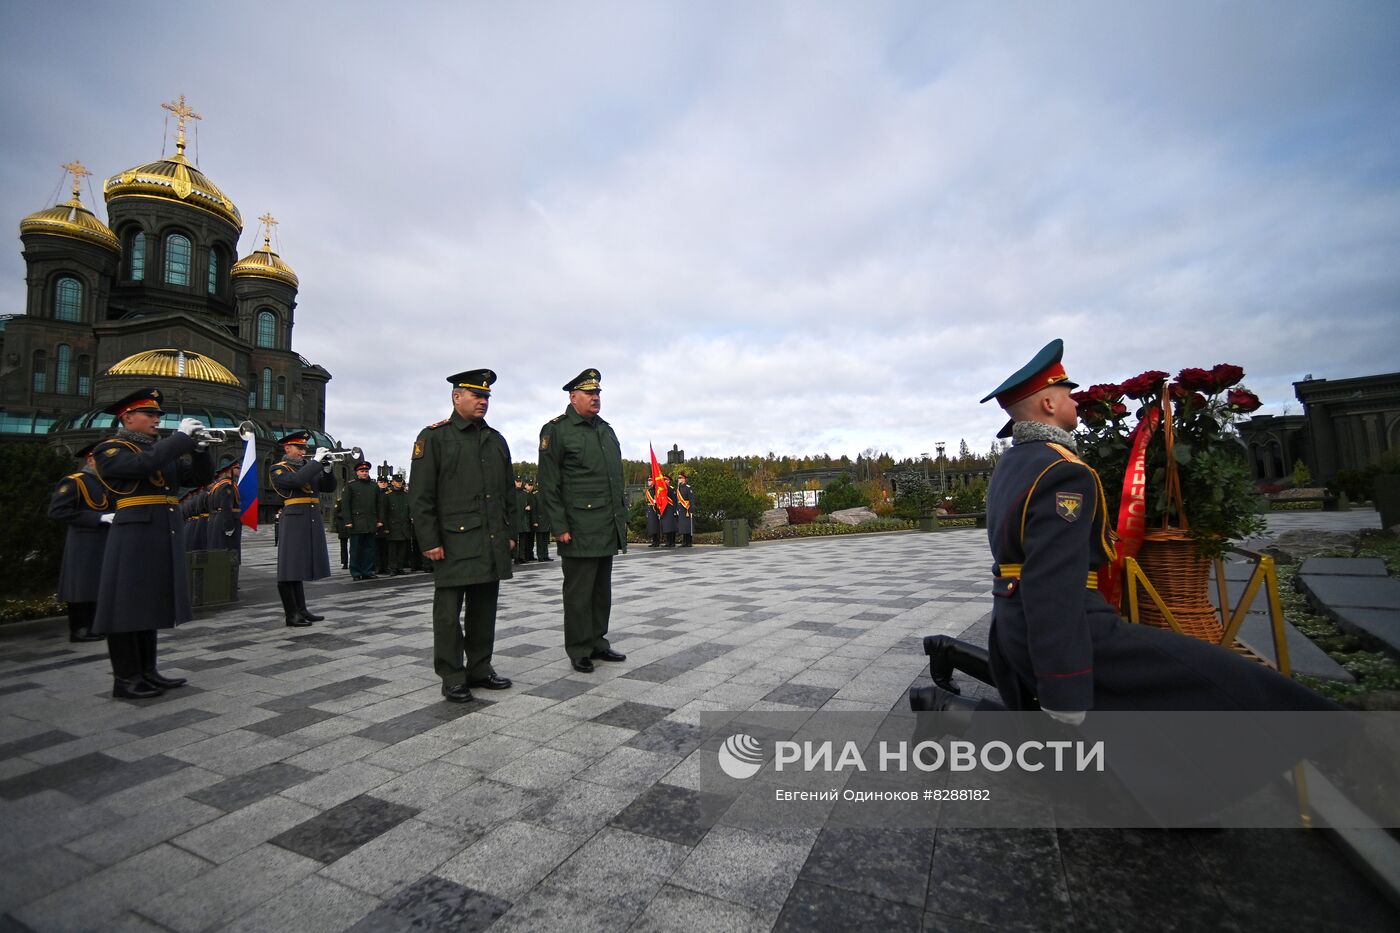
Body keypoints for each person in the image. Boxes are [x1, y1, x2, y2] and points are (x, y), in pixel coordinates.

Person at [913, 338, 1337, 718]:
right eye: (1068, 393)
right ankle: (1341, 737)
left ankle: (946, 709)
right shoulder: (1063, 472)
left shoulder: (1013, 463)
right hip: (1072, 626)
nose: (1076, 402)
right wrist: (1065, 685)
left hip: (1016, 621)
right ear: (1047, 405)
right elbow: (1054, 581)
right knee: (1228, 685)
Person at [90, 388, 213, 698]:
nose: (157, 420)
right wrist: (181, 440)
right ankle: (126, 679)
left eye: (158, 415)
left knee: (148, 602)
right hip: (134, 532)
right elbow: (140, 467)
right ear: (127, 417)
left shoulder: (159, 450)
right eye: (150, 414)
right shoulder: (111, 448)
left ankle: (147, 671)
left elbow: (197, 478)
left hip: (161, 530)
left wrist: (199, 449)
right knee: (126, 605)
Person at [409, 368, 517, 703]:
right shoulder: (434, 438)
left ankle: (480, 669)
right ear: (457, 398)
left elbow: (507, 495)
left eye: (486, 397)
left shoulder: (496, 440)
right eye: (476, 395)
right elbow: (421, 495)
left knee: (484, 610)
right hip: (453, 542)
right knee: (448, 613)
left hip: (489, 540)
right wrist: (429, 541)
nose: (483, 401)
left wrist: (510, 533)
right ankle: (452, 674)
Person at [537, 368, 628, 673]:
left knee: (601, 590)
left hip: (605, 524)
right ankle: (578, 647)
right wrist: (559, 526)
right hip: (577, 527)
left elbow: (614, 479)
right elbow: (549, 484)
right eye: (589, 393)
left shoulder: (605, 429)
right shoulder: (557, 431)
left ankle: (597, 641)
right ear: (572, 397)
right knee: (578, 593)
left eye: (598, 393)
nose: (596, 398)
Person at [270, 431, 336, 626]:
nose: (302, 452)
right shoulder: (278, 469)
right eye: (299, 448)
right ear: (287, 448)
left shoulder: (308, 467)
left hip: (311, 518)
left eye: (304, 448)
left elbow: (328, 487)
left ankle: (302, 609)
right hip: (294, 519)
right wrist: (316, 462)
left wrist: (327, 469)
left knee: (298, 566)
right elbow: (295, 482)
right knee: (289, 566)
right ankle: (291, 614)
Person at [48, 443, 110, 643]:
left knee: (97, 585)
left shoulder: (106, 483)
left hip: (104, 540)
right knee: (81, 585)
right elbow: (58, 511)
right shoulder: (75, 481)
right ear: (90, 459)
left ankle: (95, 626)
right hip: (83, 541)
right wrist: (98, 518)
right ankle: (80, 629)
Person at [342, 460, 383, 580]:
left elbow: (379, 504)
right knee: (356, 549)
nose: (365, 473)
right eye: (362, 471)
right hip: (356, 522)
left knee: (369, 549)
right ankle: (355, 572)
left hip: (370, 522)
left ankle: (368, 571)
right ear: (357, 472)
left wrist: (380, 520)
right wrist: (348, 520)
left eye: (366, 471)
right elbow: (346, 504)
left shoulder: (374, 486)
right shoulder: (351, 485)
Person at [206, 458, 243, 556]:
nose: (239, 470)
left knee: (218, 548)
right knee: (228, 551)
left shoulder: (217, 487)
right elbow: (226, 507)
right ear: (230, 470)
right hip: (226, 520)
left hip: (217, 519)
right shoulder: (227, 485)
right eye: (237, 468)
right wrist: (229, 527)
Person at [382, 474, 413, 574]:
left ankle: (400, 567)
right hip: (392, 526)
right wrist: (385, 527)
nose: (399, 483)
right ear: (393, 482)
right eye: (397, 481)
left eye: (400, 481)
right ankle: (393, 568)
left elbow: (410, 509)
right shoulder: (388, 495)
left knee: (402, 549)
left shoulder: (406, 495)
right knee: (392, 550)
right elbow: (384, 512)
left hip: (404, 526)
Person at [528, 479, 552, 561]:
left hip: (547, 520)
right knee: (540, 540)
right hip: (539, 520)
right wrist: (534, 521)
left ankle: (546, 555)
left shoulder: (548, 494)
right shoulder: (535, 494)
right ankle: (540, 556)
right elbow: (534, 509)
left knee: (546, 540)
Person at [674, 471, 695, 547]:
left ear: (684, 479)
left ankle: (689, 542)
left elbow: (691, 499)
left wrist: (692, 509)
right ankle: (684, 541)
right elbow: (677, 500)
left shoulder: (688, 488)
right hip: (680, 509)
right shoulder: (678, 488)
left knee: (688, 526)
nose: (679, 479)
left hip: (687, 509)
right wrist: (676, 509)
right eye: (678, 478)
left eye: (680, 478)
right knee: (683, 526)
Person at [644, 478, 661, 547]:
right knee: (652, 526)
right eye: (648, 480)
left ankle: (657, 541)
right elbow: (647, 501)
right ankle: (654, 541)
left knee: (655, 526)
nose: (649, 482)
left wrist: (655, 502)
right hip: (650, 509)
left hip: (654, 509)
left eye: (650, 480)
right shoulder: (649, 490)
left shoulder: (655, 489)